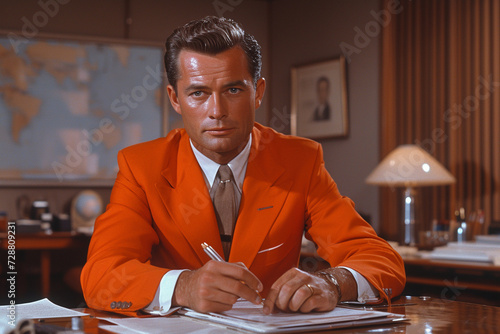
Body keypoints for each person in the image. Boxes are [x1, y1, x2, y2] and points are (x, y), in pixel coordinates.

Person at [81, 16, 405, 316]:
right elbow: (101, 275)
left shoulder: (300, 161)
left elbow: (382, 260)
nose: (217, 110)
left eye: (233, 90)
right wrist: (183, 287)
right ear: (175, 99)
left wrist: (332, 283)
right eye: (198, 93)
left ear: (258, 92)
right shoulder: (141, 167)